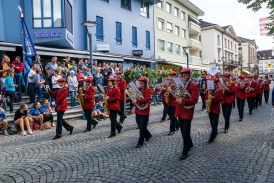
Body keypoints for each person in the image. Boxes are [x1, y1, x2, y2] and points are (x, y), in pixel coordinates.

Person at [174, 69, 199, 160]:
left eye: (185, 76)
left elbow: (195, 100)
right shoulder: (181, 85)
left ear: (189, 75)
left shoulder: (194, 85)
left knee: (185, 132)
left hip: (188, 111)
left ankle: (185, 152)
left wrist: (183, 100)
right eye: (182, 76)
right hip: (180, 110)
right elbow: (177, 95)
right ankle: (190, 143)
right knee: (182, 131)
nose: (183, 78)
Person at [133, 77, 152, 148]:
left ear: (145, 83)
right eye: (139, 82)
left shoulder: (148, 89)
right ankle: (148, 135)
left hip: (144, 110)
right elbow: (135, 96)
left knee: (142, 127)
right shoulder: (139, 89)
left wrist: (137, 101)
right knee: (139, 123)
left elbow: (147, 99)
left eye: (141, 82)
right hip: (138, 109)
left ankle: (140, 142)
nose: (140, 83)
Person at [205, 77, 223, 143]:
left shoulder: (220, 90)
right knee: (211, 122)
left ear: (216, 83)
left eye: (213, 83)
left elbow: (220, 100)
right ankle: (215, 131)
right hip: (210, 108)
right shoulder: (209, 90)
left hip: (216, 108)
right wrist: (206, 102)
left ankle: (212, 137)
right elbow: (205, 98)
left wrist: (214, 98)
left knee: (214, 123)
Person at [167, 71, 179, 136]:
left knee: (172, 116)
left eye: (172, 76)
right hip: (169, 102)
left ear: (175, 76)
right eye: (170, 76)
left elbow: (178, 94)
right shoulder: (169, 83)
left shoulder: (177, 83)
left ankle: (172, 130)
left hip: (175, 102)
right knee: (169, 113)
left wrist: (171, 91)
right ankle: (177, 125)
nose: (170, 77)